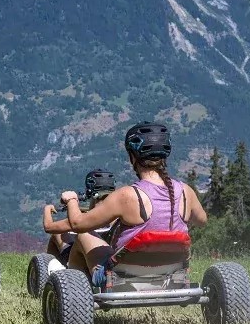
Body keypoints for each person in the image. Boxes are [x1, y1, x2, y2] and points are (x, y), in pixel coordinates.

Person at [53, 121, 207, 283]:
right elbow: (202, 221)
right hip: (172, 274)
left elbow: (78, 224)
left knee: (83, 235)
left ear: (133, 156)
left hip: (122, 279)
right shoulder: (185, 192)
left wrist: (71, 200)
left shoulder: (127, 195)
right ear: (165, 155)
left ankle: (75, 291)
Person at [43, 169, 116, 266]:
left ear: (89, 190)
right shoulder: (117, 214)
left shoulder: (85, 218)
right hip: (109, 255)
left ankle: (51, 274)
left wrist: (47, 209)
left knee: (57, 234)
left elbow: (48, 227)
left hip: (83, 259)